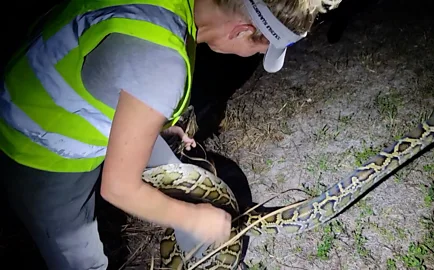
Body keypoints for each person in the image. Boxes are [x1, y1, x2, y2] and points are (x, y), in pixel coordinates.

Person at [0, 0, 338, 269]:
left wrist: (152, 119)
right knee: (81, 261)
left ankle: (203, 254)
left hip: (44, 77)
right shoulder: (161, 67)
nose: (261, 55)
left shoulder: (176, 9)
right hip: (37, 142)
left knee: (184, 178)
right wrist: (193, 218)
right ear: (242, 30)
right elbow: (117, 188)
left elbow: (122, 68)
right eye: (262, 49)